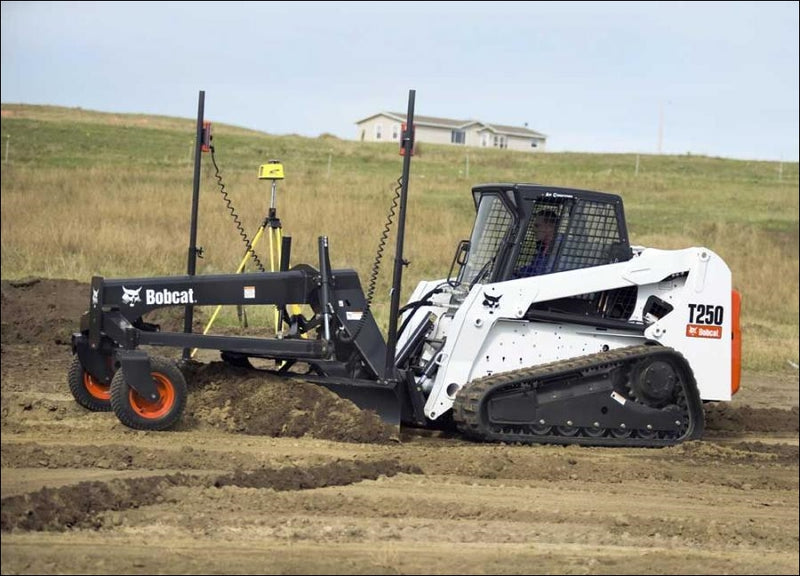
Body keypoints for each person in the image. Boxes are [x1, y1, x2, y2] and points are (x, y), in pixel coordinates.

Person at [516, 209, 558, 277]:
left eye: (537, 226)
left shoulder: (560, 247)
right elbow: (534, 269)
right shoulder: (542, 248)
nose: (534, 230)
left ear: (550, 227)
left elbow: (541, 274)